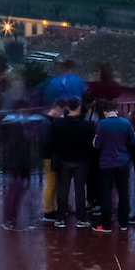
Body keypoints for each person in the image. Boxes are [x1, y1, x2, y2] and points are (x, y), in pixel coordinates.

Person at [91, 101, 135, 232]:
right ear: (116, 110)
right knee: (123, 192)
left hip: (106, 163)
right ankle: (123, 223)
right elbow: (134, 141)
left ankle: (106, 225)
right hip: (122, 162)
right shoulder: (125, 123)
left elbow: (96, 144)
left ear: (104, 112)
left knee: (106, 193)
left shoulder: (102, 124)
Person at [48, 98, 93, 229]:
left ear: (68, 108)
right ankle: (81, 218)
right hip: (81, 160)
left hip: (63, 160)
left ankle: (60, 217)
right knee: (80, 190)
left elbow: (53, 142)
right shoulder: (87, 125)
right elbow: (90, 144)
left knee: (62, 190)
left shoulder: (58, 124)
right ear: (79, 108)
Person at [0, 106, 42, 230]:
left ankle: (11, 218)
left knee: (15, 192)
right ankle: (10, 218)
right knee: (15, 192)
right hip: (18, 167)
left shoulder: (12, 130)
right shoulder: (19, 136)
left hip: (16, 166)